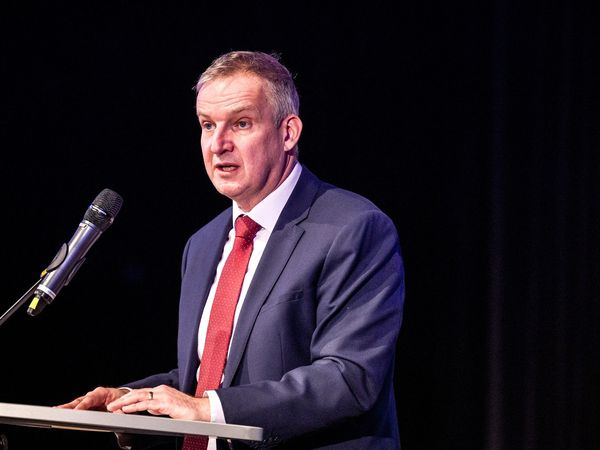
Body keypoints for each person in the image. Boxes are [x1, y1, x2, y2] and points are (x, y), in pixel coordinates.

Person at [59, 50, 405, 449]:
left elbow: (348, 377)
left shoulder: (353, 228)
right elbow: (210, 378)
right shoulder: (202, 244)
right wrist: (130, 402)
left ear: (288, 132)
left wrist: (207, 409)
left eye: (241, 123)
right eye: (207, 125)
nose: (218, 144)